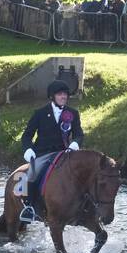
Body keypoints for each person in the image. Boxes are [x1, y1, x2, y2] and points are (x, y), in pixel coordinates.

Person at [17, 80, 84, 222]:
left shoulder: (73, 113)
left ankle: (84, 207)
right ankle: (28, 207)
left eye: (65, 94)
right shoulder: (40, 113)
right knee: (30, 175)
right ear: (52, 96)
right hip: (42, 153)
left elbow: (78, 134)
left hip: (64, 153)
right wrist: (28, 150)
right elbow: (27, 135)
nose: (64, 97)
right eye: (60, 94)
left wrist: (74, 144)